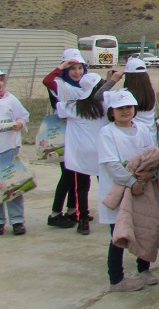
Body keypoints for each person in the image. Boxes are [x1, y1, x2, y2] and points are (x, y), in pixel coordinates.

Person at [97, 89, 159, 292]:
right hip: (121, 191)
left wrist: (149, 175)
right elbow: (111, 164)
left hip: (143, 191)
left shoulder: (142, 129)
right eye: (120, 108)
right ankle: (116, 279)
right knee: (119, 233)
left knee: (145, 229)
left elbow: (152, 155)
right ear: (112, 112)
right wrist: (132, 182)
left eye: (129, 107)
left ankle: (144, 269)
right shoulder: (108, 132)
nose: (125, 111)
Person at [55, 72, 107, 235]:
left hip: (82, 154)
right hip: (102, 152)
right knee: (105, 185)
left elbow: (58, 108)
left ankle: (83, 219)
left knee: (82, 188)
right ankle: (112, 214)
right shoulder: (105, 106)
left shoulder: (74, 107)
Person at [42, 48, 89, 229]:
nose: (76, 72)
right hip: (64, 135)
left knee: (77, 172)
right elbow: (47, 81)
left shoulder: (83, 86)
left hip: (78, 134)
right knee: (68, 174)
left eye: (79, 68)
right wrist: (61, 66)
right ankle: (55, 214)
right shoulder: (60, 86)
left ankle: (72, 210)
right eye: (71, 68)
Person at [0, 63, 30, 236]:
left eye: (0, 80)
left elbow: (24, 116)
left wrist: (19, 124)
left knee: (12, 186)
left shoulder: (10, 99)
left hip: (9, 149)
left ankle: (17, 220)